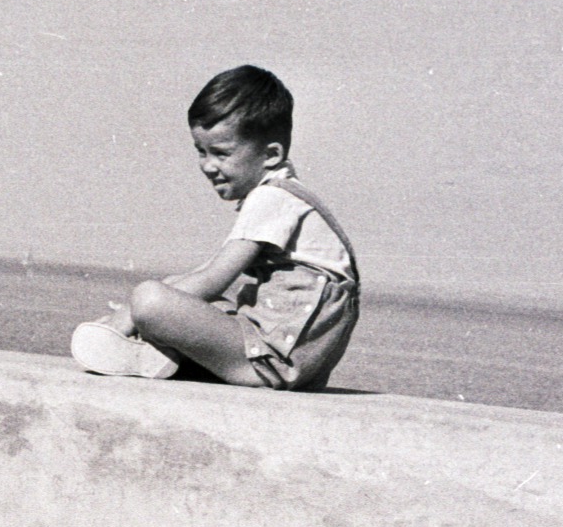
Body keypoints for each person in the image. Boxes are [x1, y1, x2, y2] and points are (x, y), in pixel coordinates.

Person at [71, 65, 359, 391]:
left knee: (150, 298)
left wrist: (126, 317)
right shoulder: (285, 195)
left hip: (272, 362)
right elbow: (206, 275)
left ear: (271, 154)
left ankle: (145, 348)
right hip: (286, 361)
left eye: (221, 153)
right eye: (201, 151)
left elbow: (214, 277)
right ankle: (158, 355)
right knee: (178, 292)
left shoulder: (271, 199)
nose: (208, 166)